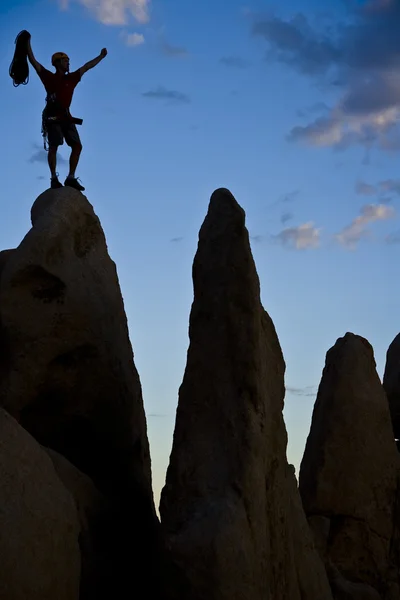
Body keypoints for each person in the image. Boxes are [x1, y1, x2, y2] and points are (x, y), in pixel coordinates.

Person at [27, 38, 107, 191]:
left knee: (77, 146)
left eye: (68, 61)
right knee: (54, 146)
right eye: (65, 61)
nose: (68, 63)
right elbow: (34, 62)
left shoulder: (72, 78)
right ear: (57, 63)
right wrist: (27, 45)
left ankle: (70, 177)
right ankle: (53, 178)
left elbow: (87, 67)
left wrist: (101, 57)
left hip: (66, 117)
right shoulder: (50, 77)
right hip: (53, 117)